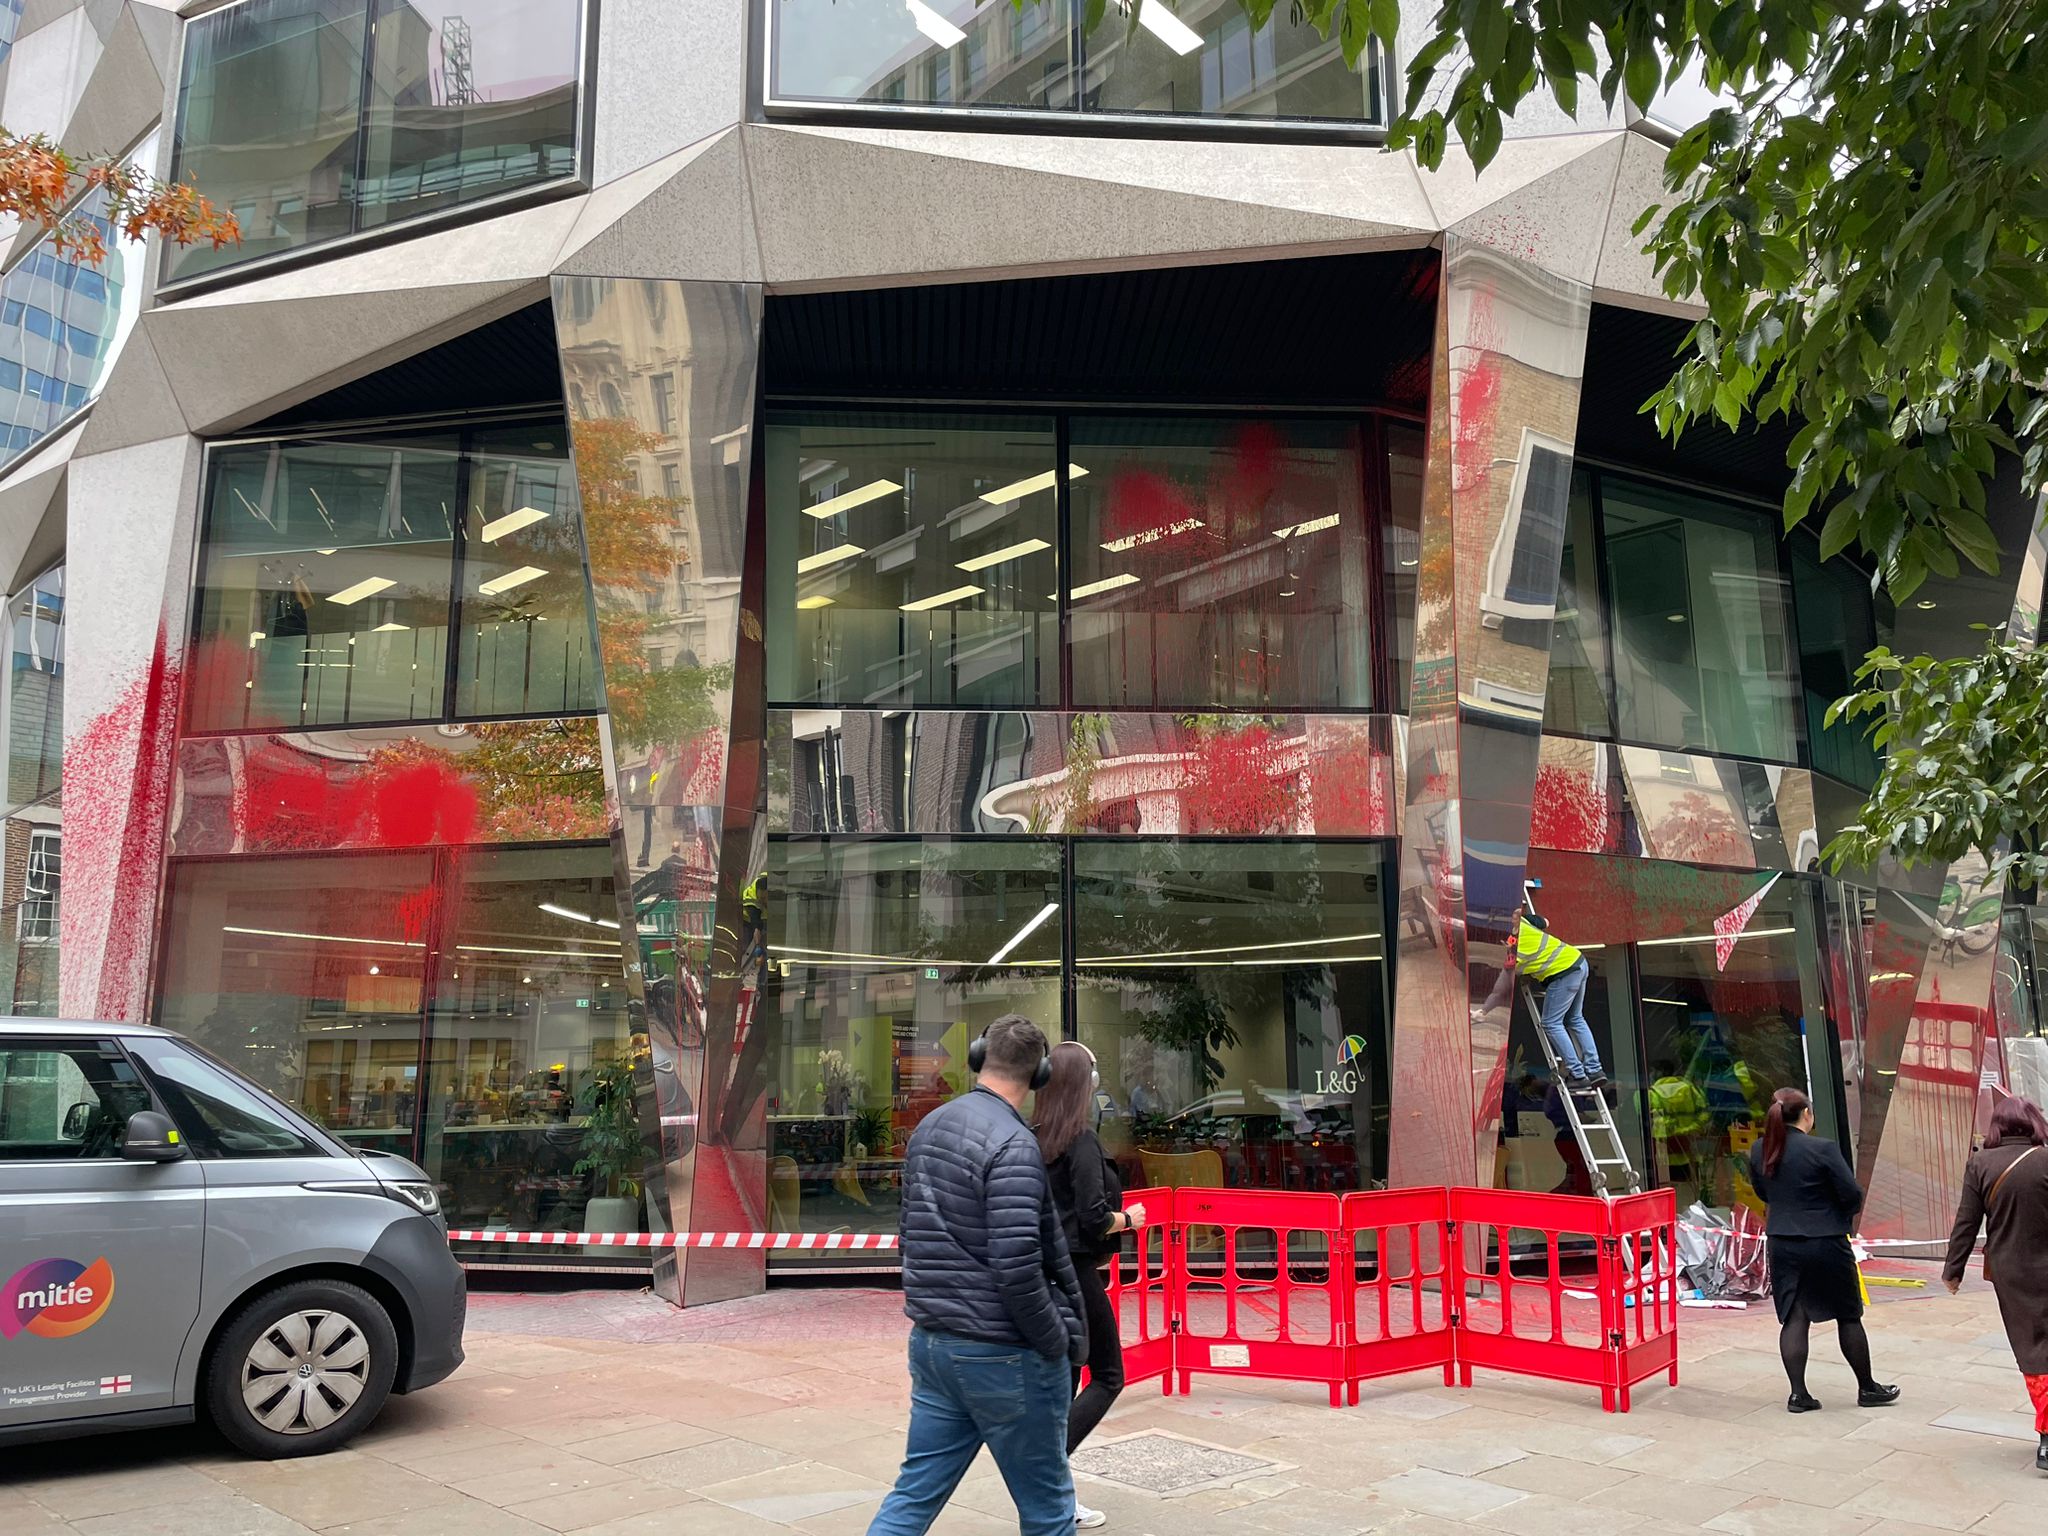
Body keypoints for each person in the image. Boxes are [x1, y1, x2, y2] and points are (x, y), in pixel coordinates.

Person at [868, 1015, 1086, 1536]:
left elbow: (912, 1234)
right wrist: (1053, 1340)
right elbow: (1017, 1267)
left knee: (914, 1493)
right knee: (1049, 1509)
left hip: (935, 1342)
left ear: (979, 1058)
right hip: (1003, 1353)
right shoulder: (1014, 1146)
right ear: (1040, 1075)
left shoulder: (930, 1127)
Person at [1033, 1042, 1148, 1529]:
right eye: (1094, 1069)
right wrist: (1129, 1218)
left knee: (1070, 1379)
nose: (1100, 1076)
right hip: (1077, 1271)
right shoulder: (1079, 1141)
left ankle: (1053, 1488)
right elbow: (1093, 1216)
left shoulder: (1034, 1136)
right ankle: (1046, 1472)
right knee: (1108, 1374)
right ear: (1081, 1083)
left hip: (1047, 1272)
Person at [1747, 1087, 1898, 1413]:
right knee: (1848, 1314)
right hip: (1826, 1239)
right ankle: (1867, 1387)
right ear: (1806, 1115)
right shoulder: (1823, 1149)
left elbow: (1763, 1192)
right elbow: (1851, 1194)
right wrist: (1837, 1213)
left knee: (1794, 1316)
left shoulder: (1760, 1149)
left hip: (1782, 1241)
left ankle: (1798, 1394)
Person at [1942, 1095, 2048, 1473]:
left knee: (2034, 1351)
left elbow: (1966, 1222)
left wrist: (1953, 1271)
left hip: (2013, 1272)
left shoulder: (1981, 1163)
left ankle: (2047, 1439)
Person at [1515, 912, 1606, 1088]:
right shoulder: (1522, 922)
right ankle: (1595, 1070)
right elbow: (1545, 921)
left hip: (1563, 973)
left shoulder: (1510, 952)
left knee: (1551, 1023)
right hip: (1578, 961)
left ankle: (1577, 1074)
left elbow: (1507, 974)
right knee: (1575, 1018)